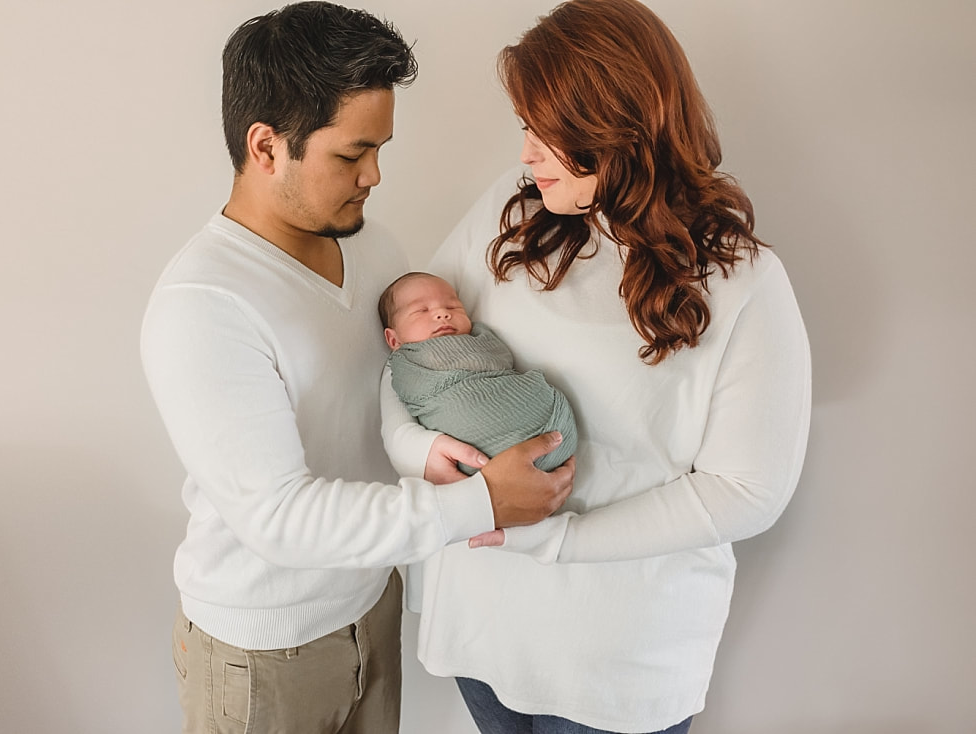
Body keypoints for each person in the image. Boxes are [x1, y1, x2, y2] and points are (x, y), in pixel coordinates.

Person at [139, 3, 573, 733]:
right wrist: (482, 503)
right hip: (263, 653)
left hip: (371, 607)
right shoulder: (203, 305)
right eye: (351, 154)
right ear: (267, 146)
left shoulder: (375, 251)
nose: (374, 175)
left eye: (381, 148)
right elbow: (278, 515)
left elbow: (407, 397)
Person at [380, 1, 812, 732]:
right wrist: (418, 451)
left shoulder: (742, 282)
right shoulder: (512, 213)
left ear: (616, 128)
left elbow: (749, 491)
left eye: (544, 133)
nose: (526, 154)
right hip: (481, 628)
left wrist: (562, 541)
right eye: (525, 128)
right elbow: (405, 347)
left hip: (613, 661)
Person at [380, 271, 578, 473]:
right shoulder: (407, 363)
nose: (443, 313)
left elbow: (502, 360)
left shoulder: (481, 337)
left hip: (556, 429)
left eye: (452, 306)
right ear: (394, 340)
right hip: (485, 456)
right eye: (421, 310)